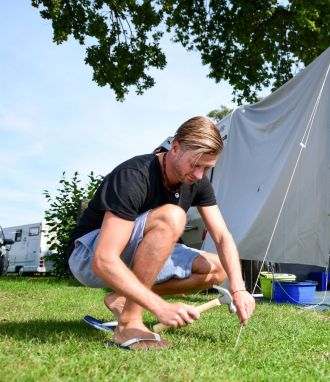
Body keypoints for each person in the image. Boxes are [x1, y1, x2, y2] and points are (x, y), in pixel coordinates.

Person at [68, 116, 255, 350]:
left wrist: (238, 288)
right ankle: (128, 323)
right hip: (89, 256)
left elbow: (222, 237)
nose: (199, 175)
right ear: (175, 148)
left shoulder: (197, 181)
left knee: (216, 269)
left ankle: (124, 298)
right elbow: (103, 260)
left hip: (136, 253)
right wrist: (159, 307)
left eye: (207, 168)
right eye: (195, 164)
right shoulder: (134, 175)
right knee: (172, 216)